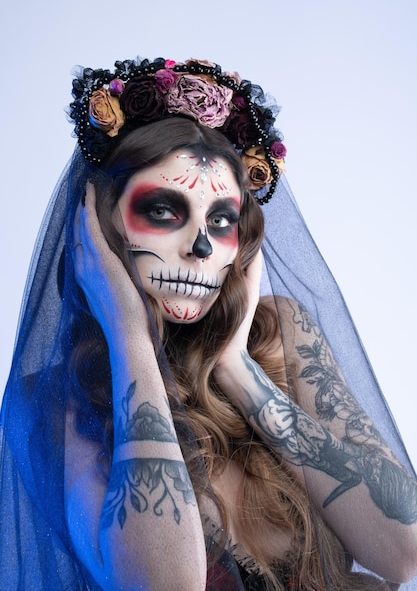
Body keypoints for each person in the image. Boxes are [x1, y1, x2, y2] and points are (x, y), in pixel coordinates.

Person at [0, 56, 416, 591]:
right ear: (99, 228)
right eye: (165, 211)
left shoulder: (279, 336)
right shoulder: (56, 399)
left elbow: (404, 552)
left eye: (220, 220)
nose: (200, 247)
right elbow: (164, 583)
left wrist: (240, 370)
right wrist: (129, 335)